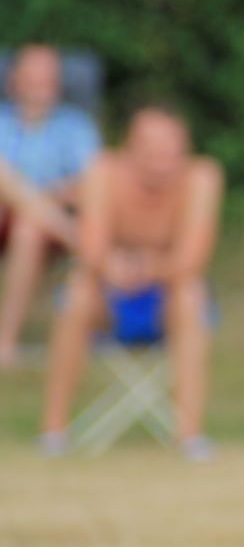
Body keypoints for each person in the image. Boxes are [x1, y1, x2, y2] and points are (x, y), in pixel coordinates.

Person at [40, 105, 223, 459]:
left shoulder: (201, 177)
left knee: (191, 294)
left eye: (171, 153)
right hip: (108, 298)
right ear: (130, 149)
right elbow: (92, 249)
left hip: (168, 299)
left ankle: (189, 435)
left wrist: (148, 267)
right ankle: (54, 431)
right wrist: (116, 268)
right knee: (76, 292)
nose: (162, 163)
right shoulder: (102, 171)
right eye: (152, 153)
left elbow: (193, 258)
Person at [0, 45, 101, 368]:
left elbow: (94, 185)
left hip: (45, 228)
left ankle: (5, 342)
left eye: (47, 76)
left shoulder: (76, 126)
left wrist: (41, 200)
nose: (39, 83)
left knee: (29, 226)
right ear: (13, 79)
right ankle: (82, 241)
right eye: (31, 75)